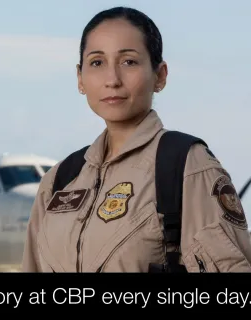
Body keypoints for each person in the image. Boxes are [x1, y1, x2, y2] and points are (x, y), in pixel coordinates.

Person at [21, 6, 251, 272]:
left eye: (129, 61)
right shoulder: (59, 181)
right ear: (80, 78)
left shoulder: (186, 165)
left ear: (160, 75)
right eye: (97, 62)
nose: (112, 79)